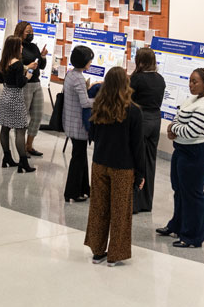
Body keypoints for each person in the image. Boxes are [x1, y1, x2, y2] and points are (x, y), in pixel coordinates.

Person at [157, 67, 204, 249]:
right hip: (182, 150)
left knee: (193, 195)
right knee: (179, 190)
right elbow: (177, 119)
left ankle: (193, 237)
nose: (191, 85)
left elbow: (190, 131)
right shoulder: (192, 99)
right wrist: (174, 127)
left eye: (195, 81)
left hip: (197, 153)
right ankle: (177, 226)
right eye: (190, 81)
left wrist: (172, 129)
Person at [84, 66, 145, 266]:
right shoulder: (134, 111)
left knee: (98, 208)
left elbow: (91, 135)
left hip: (99, 163)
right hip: (122, 167)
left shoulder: (99, 107)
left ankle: (97, 251)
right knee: (120, 211)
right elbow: (137, 146)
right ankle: (116, 254)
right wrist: (141, 173)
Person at [130, 46, 166, 213]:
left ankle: (134, 203)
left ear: (140, 61)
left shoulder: (136, 79)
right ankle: (146, 202)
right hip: (156, 120)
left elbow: (128, 99)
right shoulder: (160, 79)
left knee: (137, 160)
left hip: (141, 119)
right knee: (151, 160)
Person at [0, 34, 36, 172]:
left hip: (5, 96)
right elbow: (20, 84)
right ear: (15, 47)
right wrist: (28, 75)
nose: (22, 47)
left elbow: (1, 80)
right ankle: (23, 162)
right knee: (20, 130)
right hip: (15, 98)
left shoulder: (3, 62)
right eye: (20, 45)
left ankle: (7, 157)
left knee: (5, 128)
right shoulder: (18, 64)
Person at [62, 45, 95, 202]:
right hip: (78, 124)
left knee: (81, 157)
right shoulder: (79, 78)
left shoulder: (71, 74)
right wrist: (101, 100)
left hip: (70, 121)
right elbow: (85, 103)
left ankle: (84, 189)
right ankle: (71, 192)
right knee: (78, 158)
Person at [14, 21, 48, 157]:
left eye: (32, 31)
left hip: (36, 83)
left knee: (38, 115)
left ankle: (29, 145)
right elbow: (15, 64)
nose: (30, 34)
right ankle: (21, 147)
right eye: (28, 32)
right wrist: (27, 66)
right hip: (25, 84)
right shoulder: (16, 46)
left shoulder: (34, 46)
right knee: (22, 117)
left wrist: (43, 56)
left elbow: (42, 66)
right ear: (21, 31)